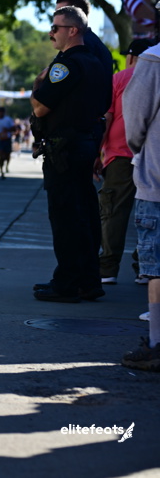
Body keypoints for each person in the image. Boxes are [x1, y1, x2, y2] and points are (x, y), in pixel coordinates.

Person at [31, 6, 111, 303]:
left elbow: (41, 107)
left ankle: (66, 283)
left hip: (64, 149)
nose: (51, 33)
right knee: (85, 215)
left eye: (56, 27)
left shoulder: (66, 65)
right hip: (85, 144)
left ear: (73, 30)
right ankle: (88, 281)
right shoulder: (97, 62)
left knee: (65, 216)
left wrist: (37, 85)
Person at [121, 34, 160, 370]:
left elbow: (134, 121)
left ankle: (157, 342)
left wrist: (141, 153)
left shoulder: (153, 59)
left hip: (157, 182)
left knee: (157, 269)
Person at [98, 39, 151, 284]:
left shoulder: (118, 79)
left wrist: (96, 153)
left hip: (120, 155)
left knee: (114, 212)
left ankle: (108, 269)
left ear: (130, 57)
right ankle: (146, 267)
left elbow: (106, 119)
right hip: (151, 157)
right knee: (151, 212)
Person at [0, 106, 16, 179]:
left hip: (7, 139)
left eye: (2, 112)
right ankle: (2, 171)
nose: (0, 113)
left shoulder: (8, 119)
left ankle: (7, 165)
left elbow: (14, 129)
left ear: (4, 112)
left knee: (7, 156)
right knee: (1, 156)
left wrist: (8, 129)